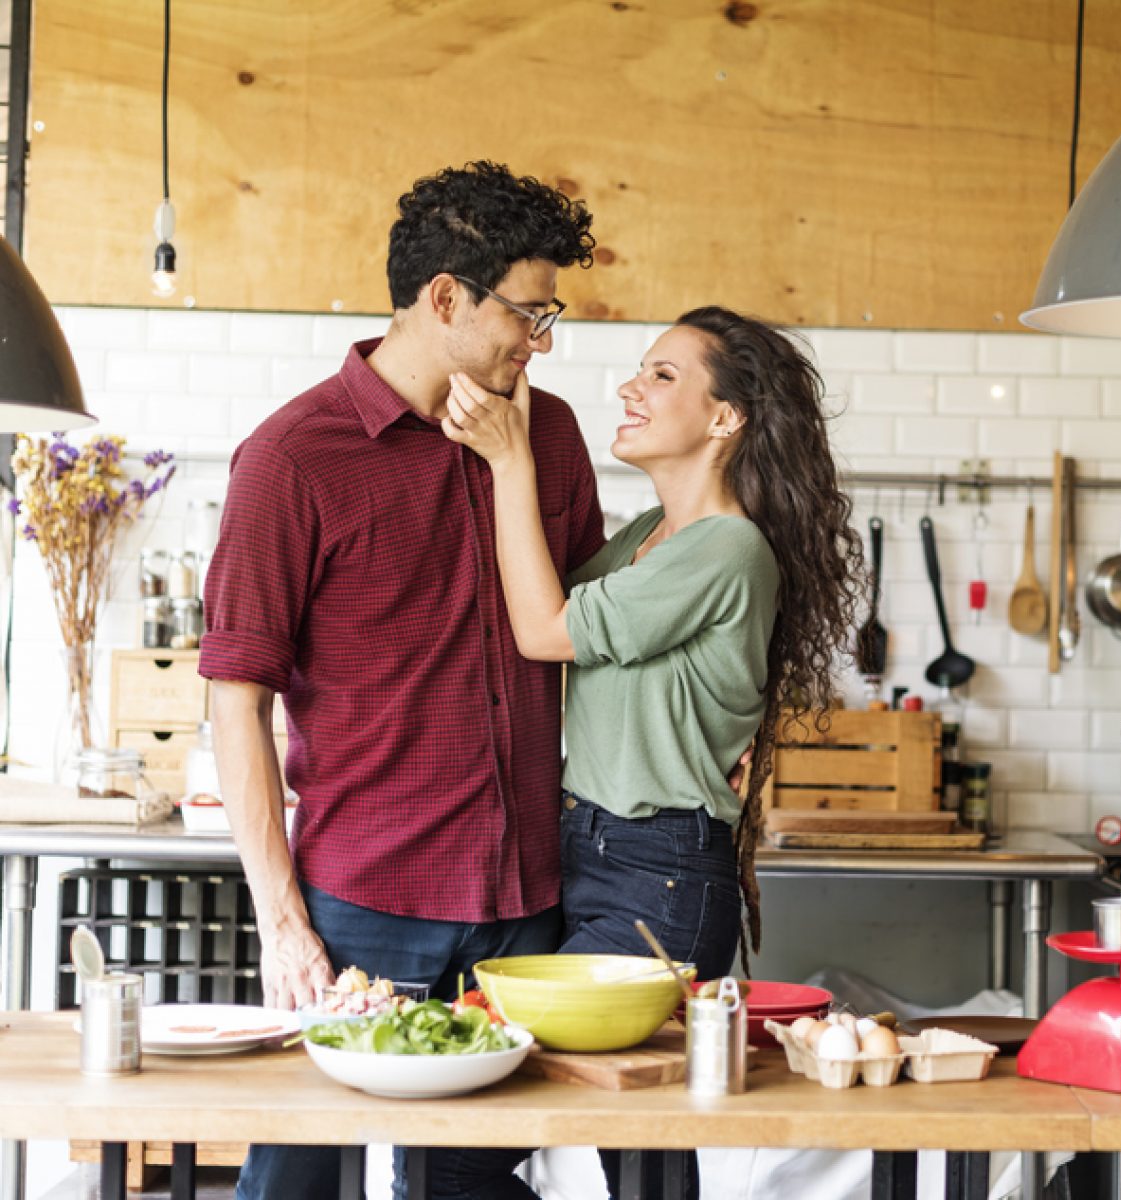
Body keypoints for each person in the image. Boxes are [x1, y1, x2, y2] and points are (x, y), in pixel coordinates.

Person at [200, 161, 602, 1200]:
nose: (540, 339)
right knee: (300, 1175)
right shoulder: (293, 459)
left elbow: (592, 637)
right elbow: (234, 696)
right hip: (367, 907)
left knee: (468, 1180)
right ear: (444, 298)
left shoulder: (547, 437)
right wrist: (283, 922)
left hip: (528, 907)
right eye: (529, 310)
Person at [444, 305, 864, 986]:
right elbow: (531, 597)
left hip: (657, 875)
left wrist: (508, 456)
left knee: (531, 1044)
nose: (629, 389)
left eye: (662, 375)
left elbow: (545, 632)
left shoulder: (727, 547)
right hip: (592, 853)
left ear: (726, 418)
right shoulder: (649, 534)